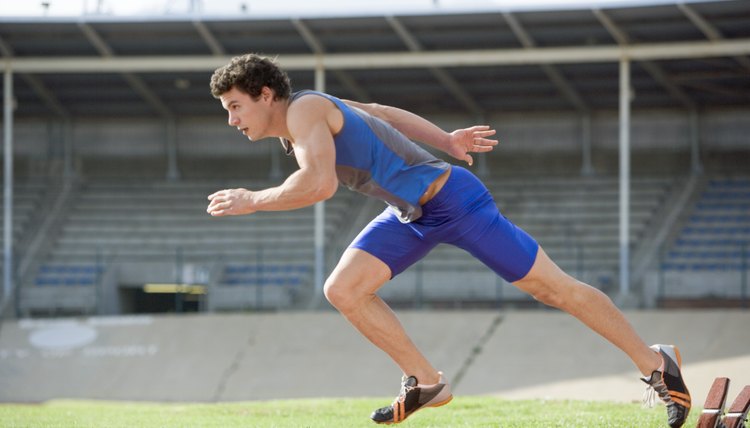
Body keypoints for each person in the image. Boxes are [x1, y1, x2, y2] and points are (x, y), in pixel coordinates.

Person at [206, 53, 691, 427]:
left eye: (235, 107)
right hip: (410, 214)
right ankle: (427, 382)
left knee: (552, 288)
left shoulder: (305, 110)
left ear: (265, 94)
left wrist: (254, 199)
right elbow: (379, 113)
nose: (231, 120)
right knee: (343, 289)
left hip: (454, 202)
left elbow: (319, 184)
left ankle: (656, 363)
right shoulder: (306, 117)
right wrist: (447, 139)